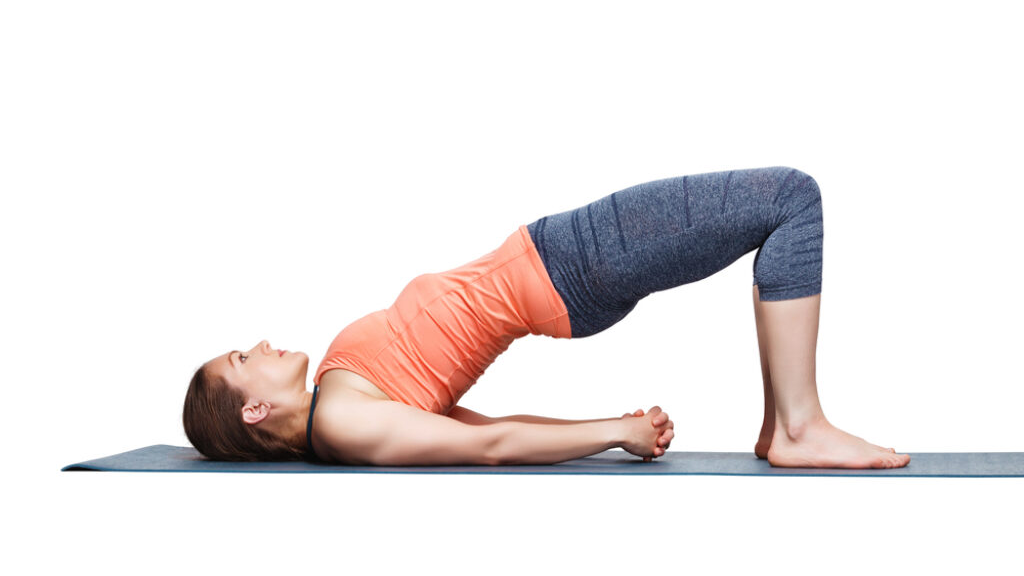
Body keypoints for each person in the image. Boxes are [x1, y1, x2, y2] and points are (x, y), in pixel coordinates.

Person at [183, 166, 911, 469]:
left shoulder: (342, 399)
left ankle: (781, 424)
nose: (260, 345)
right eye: (243, 359)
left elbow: (473, 425)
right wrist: (614, 432)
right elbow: (491, 445)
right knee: (790, 200)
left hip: (564, 256)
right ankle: (796, 424)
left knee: (782, 203)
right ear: (253, 408)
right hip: (575, 265)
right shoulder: (346, 424)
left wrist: (608, 428)